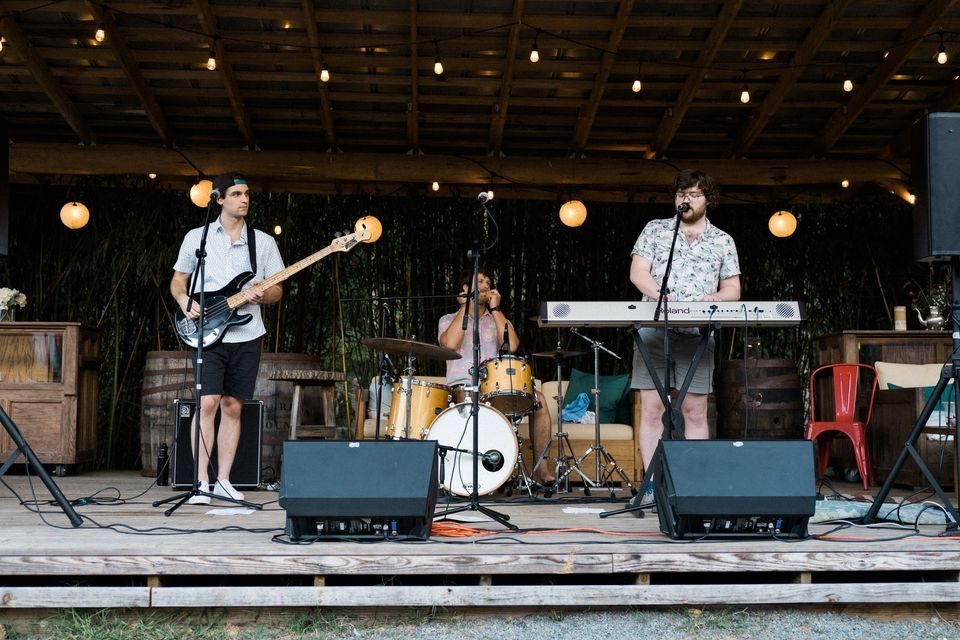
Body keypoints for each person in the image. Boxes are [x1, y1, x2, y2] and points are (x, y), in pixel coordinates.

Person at [170, 171, 285, 504]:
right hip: (208, 332)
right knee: (207, 403)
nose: (244, 199)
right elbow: (179, 281)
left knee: (234, 408)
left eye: (247, 194)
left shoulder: (263, 242)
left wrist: (264, 296)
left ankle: (223, 481)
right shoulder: (198, 238)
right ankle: (201, 483)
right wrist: (183, 300)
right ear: (219, 199)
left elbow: (277, 288)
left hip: (248, 333)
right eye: (236, 194)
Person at [629, 169, 741, 497]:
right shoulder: (655, 229)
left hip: (698, 334)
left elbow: (733, 288)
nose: (686, 200)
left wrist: (716, 298)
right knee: (652, 409)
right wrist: (658, 294)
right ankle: (652, 486)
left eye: (693, 194)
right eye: (681, 194)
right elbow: (638, 272)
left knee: (694, 410)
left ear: (708, 200)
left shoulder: (723, 240)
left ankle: (694, 486)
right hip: (654, 330)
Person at [438, 269, 556, 486]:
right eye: (479, 281)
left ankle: (542, 469)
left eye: (488, 282)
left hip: (495, 386)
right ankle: (476, 474)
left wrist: (496, 309)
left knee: (538, 400)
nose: (485, 285)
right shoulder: (447, 319)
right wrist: (465, 307)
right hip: (463, 387)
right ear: (465, 288)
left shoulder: (497, 318)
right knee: (468, 399)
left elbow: (511, 346)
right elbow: (451, 344)